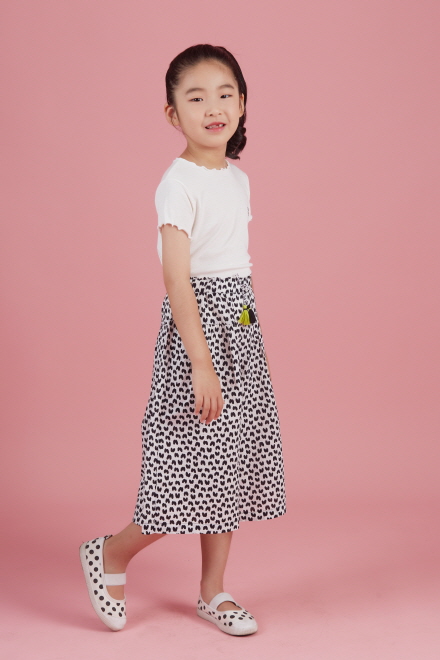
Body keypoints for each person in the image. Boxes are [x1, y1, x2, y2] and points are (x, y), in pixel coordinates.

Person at [79, 43, 287, 636]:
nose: (213, 108)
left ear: (242, 104)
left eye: (224, 95)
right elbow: (177, 279)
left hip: (240, 332)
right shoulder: (178, 183)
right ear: (173, 114)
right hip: (196, 336)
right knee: (185, 470)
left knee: (229, 465)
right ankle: (110, 552)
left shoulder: (239, 180)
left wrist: (245, 337)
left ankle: (213, 592)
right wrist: (201, 360)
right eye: (196, 98)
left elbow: (237, 266)